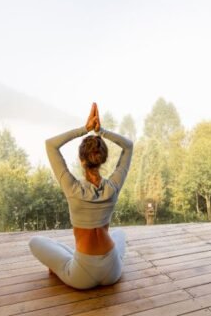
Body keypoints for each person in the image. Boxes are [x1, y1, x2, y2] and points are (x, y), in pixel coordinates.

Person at [28, 102, 134, 289]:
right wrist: (101, 131)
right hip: (113, 271)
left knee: (35, 241)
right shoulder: (113, 187)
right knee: (119, 233)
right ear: (103, 159)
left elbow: (50, 145)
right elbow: (128, 146)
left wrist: (85, 129)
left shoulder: (73, 188)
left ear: (81, 160)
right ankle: (70, 260)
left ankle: (63, 264)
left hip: (82, 275)